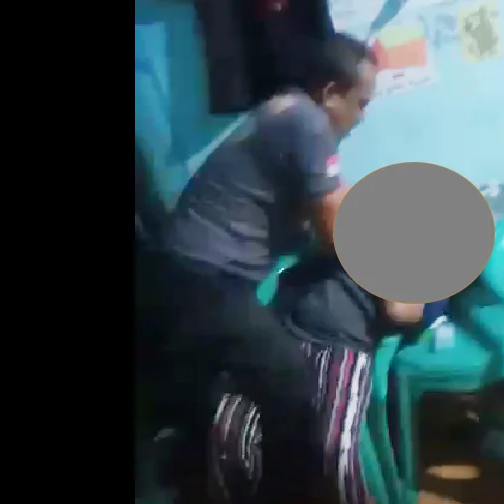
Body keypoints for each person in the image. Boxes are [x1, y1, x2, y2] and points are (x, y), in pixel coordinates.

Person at [158, 33, 378, 504]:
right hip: (208, 278)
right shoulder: (309, 124)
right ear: (330, 93)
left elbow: (310, 216)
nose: (362, 118)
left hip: (182, 272)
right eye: (360, 104)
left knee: (201, 398)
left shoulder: (283, 110)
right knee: (291, 387)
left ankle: (198, 483)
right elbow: (335, 233)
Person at [208, 253, 426, 504]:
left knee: (332, 456)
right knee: (229, 435)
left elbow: (405, 311)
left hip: (342, 342)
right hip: (277, 333)